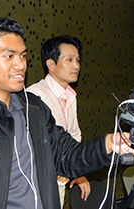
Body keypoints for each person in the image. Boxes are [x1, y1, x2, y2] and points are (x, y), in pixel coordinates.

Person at [0, 17, 134, 209]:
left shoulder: (34, 109)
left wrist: (108, 144)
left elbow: (67, 155)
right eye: (9, 56)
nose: (21, 65)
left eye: (23, 56)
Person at [27, 35, 90, 208]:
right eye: (69, 60)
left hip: (60, 180)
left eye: (77, 60)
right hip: (39, 184)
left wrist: (76, 168)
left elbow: (74, 134)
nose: (76, 65)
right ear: (51, 65)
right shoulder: (35, 97)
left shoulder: (70, 95)